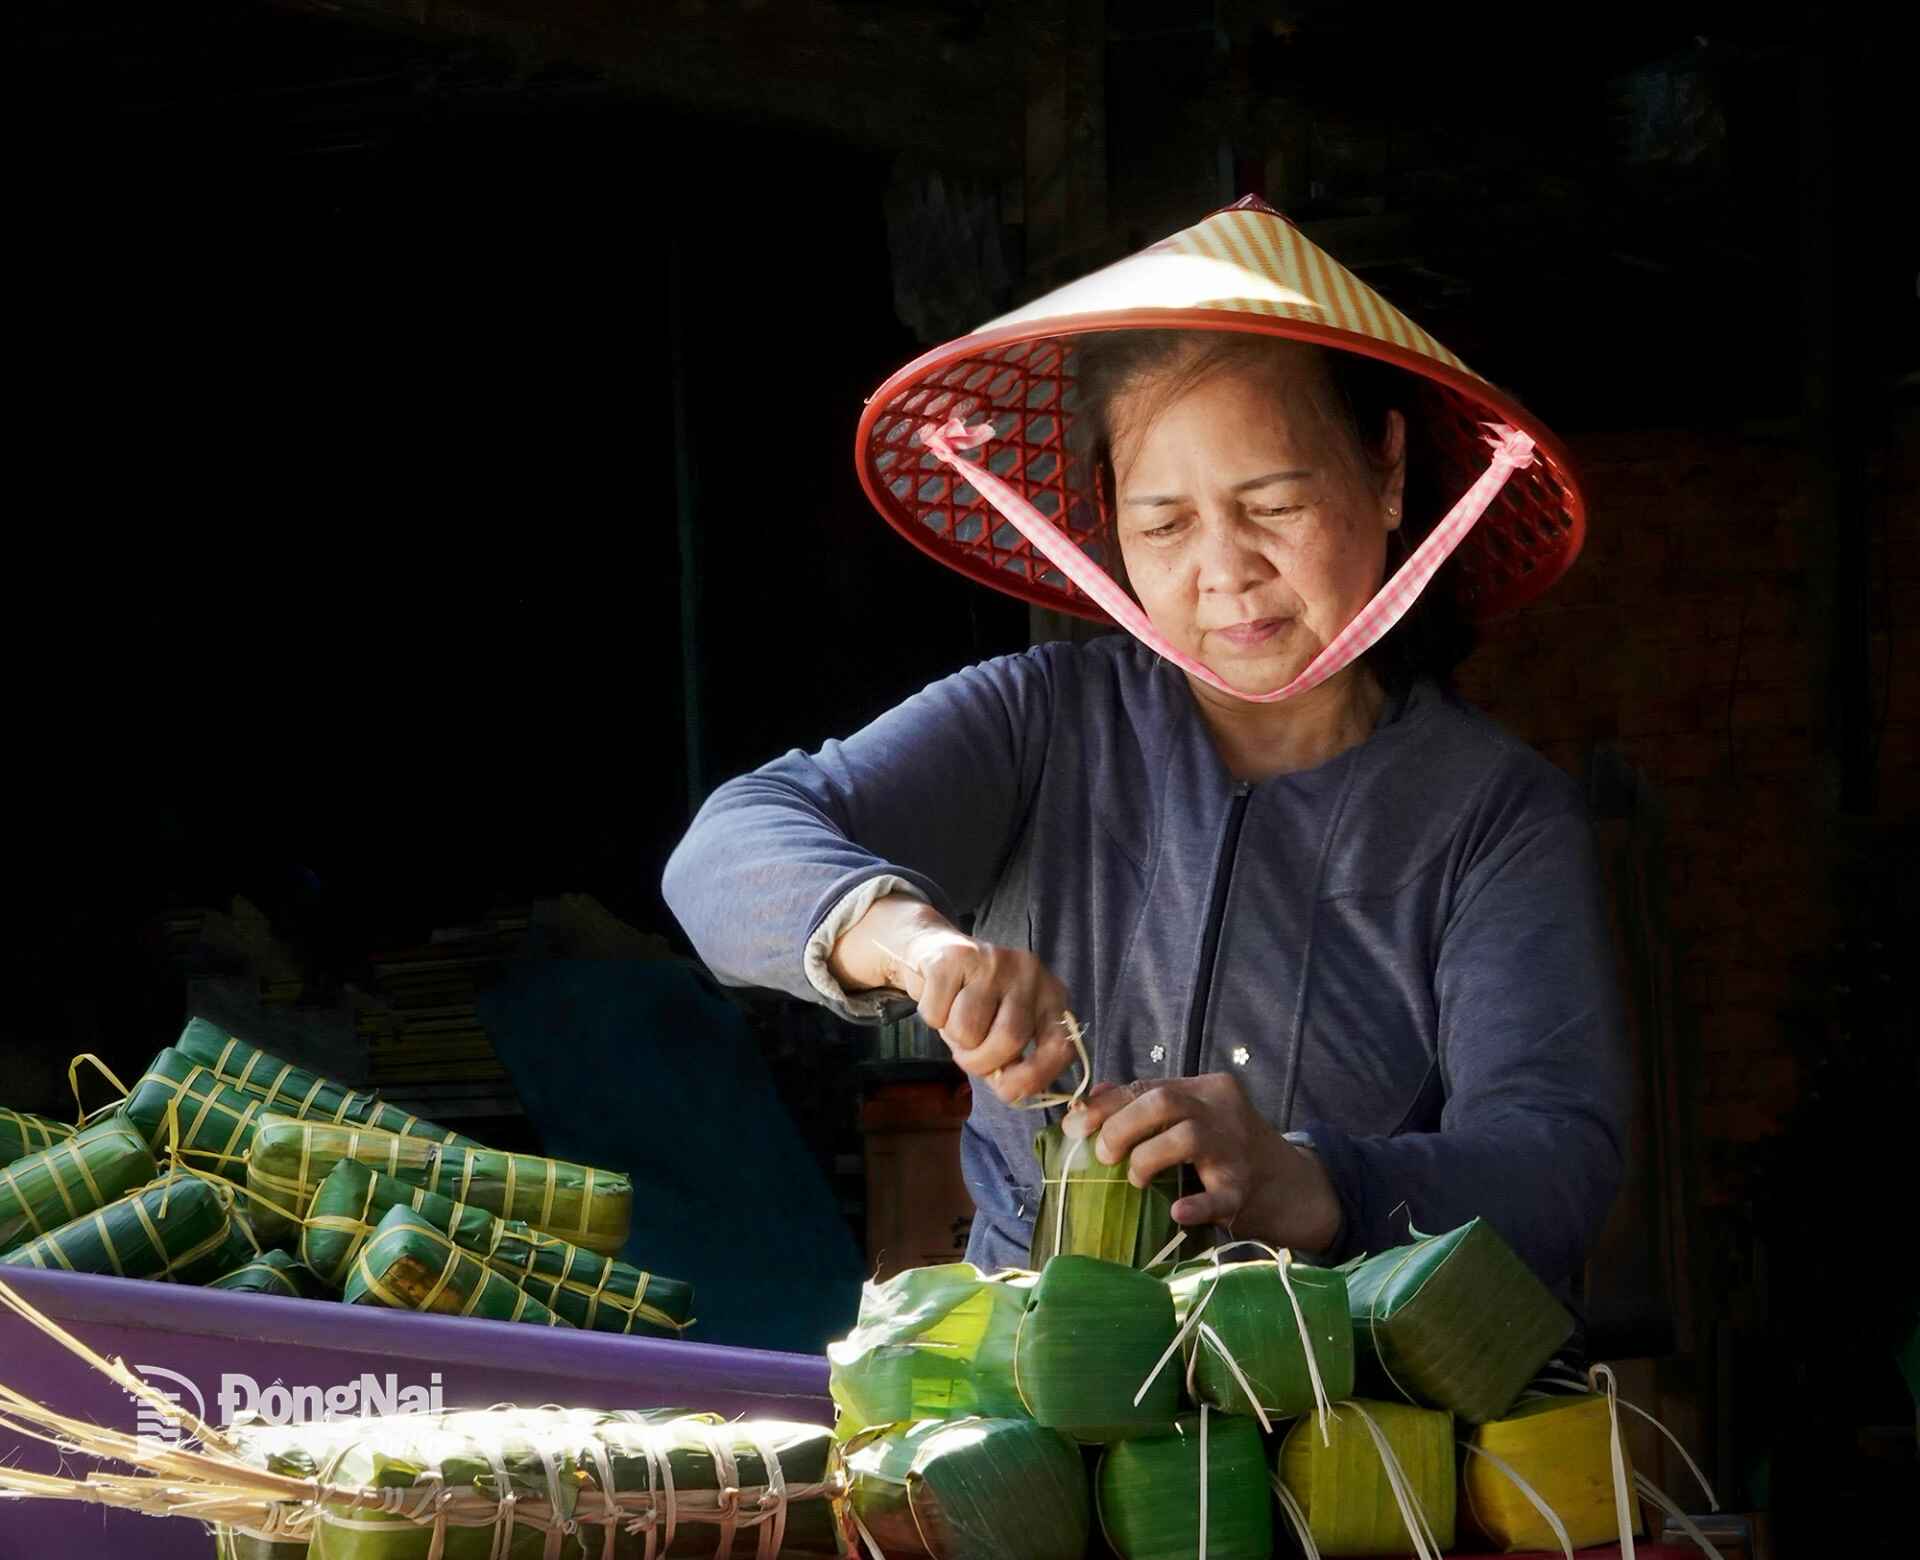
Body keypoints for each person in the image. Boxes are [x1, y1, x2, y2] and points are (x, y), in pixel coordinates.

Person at [664, 198, 1626, 1300]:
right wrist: (919, 946)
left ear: (1389, 472)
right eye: (1165, 525)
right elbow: (724, 850)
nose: (1224, 571)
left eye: (1274, 504)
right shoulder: (1041, 721)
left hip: (1335, 1426)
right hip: (1021, 1412)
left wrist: (1308, 1179)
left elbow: (1557, 1166)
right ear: (1110, 517)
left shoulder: (1494, 817)